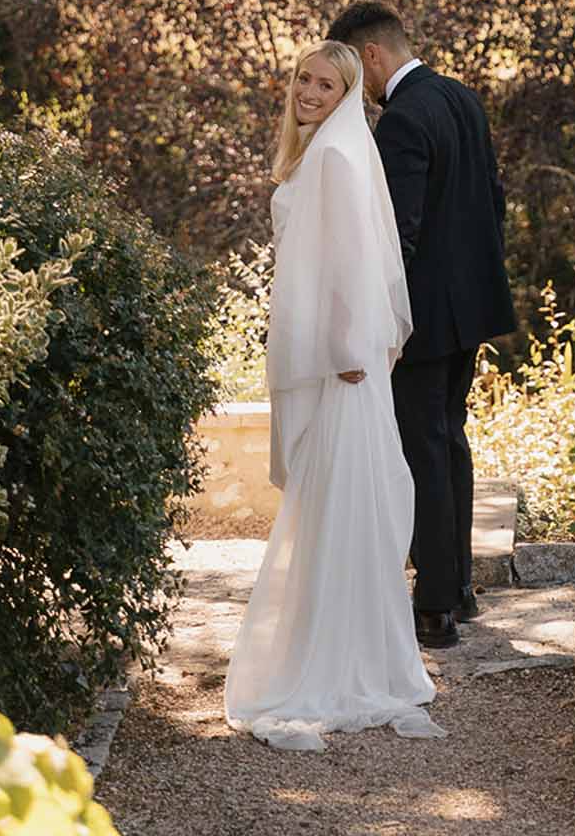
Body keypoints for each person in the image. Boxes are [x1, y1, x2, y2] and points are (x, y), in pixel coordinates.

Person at [223, 39, 443, 752]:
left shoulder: (342, 157)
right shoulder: (320, 152)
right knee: (325, 512)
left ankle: (342, 664)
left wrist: (350, 352)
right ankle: (329, 648)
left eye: (325, 84)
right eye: (302, 80)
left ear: (349, 93)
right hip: (327, 353)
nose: (308, 93)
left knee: (343, 506)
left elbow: (356, 262)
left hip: (342, 363)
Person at [326, 2, 517, 650]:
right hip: (471, 309)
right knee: (450, 441)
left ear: (372, 57)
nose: (359, 85)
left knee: (423, 452)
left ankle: (435, 606)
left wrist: (381, 323)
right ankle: (458, 587)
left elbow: (395, 237)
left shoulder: (403, 121)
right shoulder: (462, 99)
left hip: (426, 319)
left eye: (355, 68)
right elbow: (493, 200)